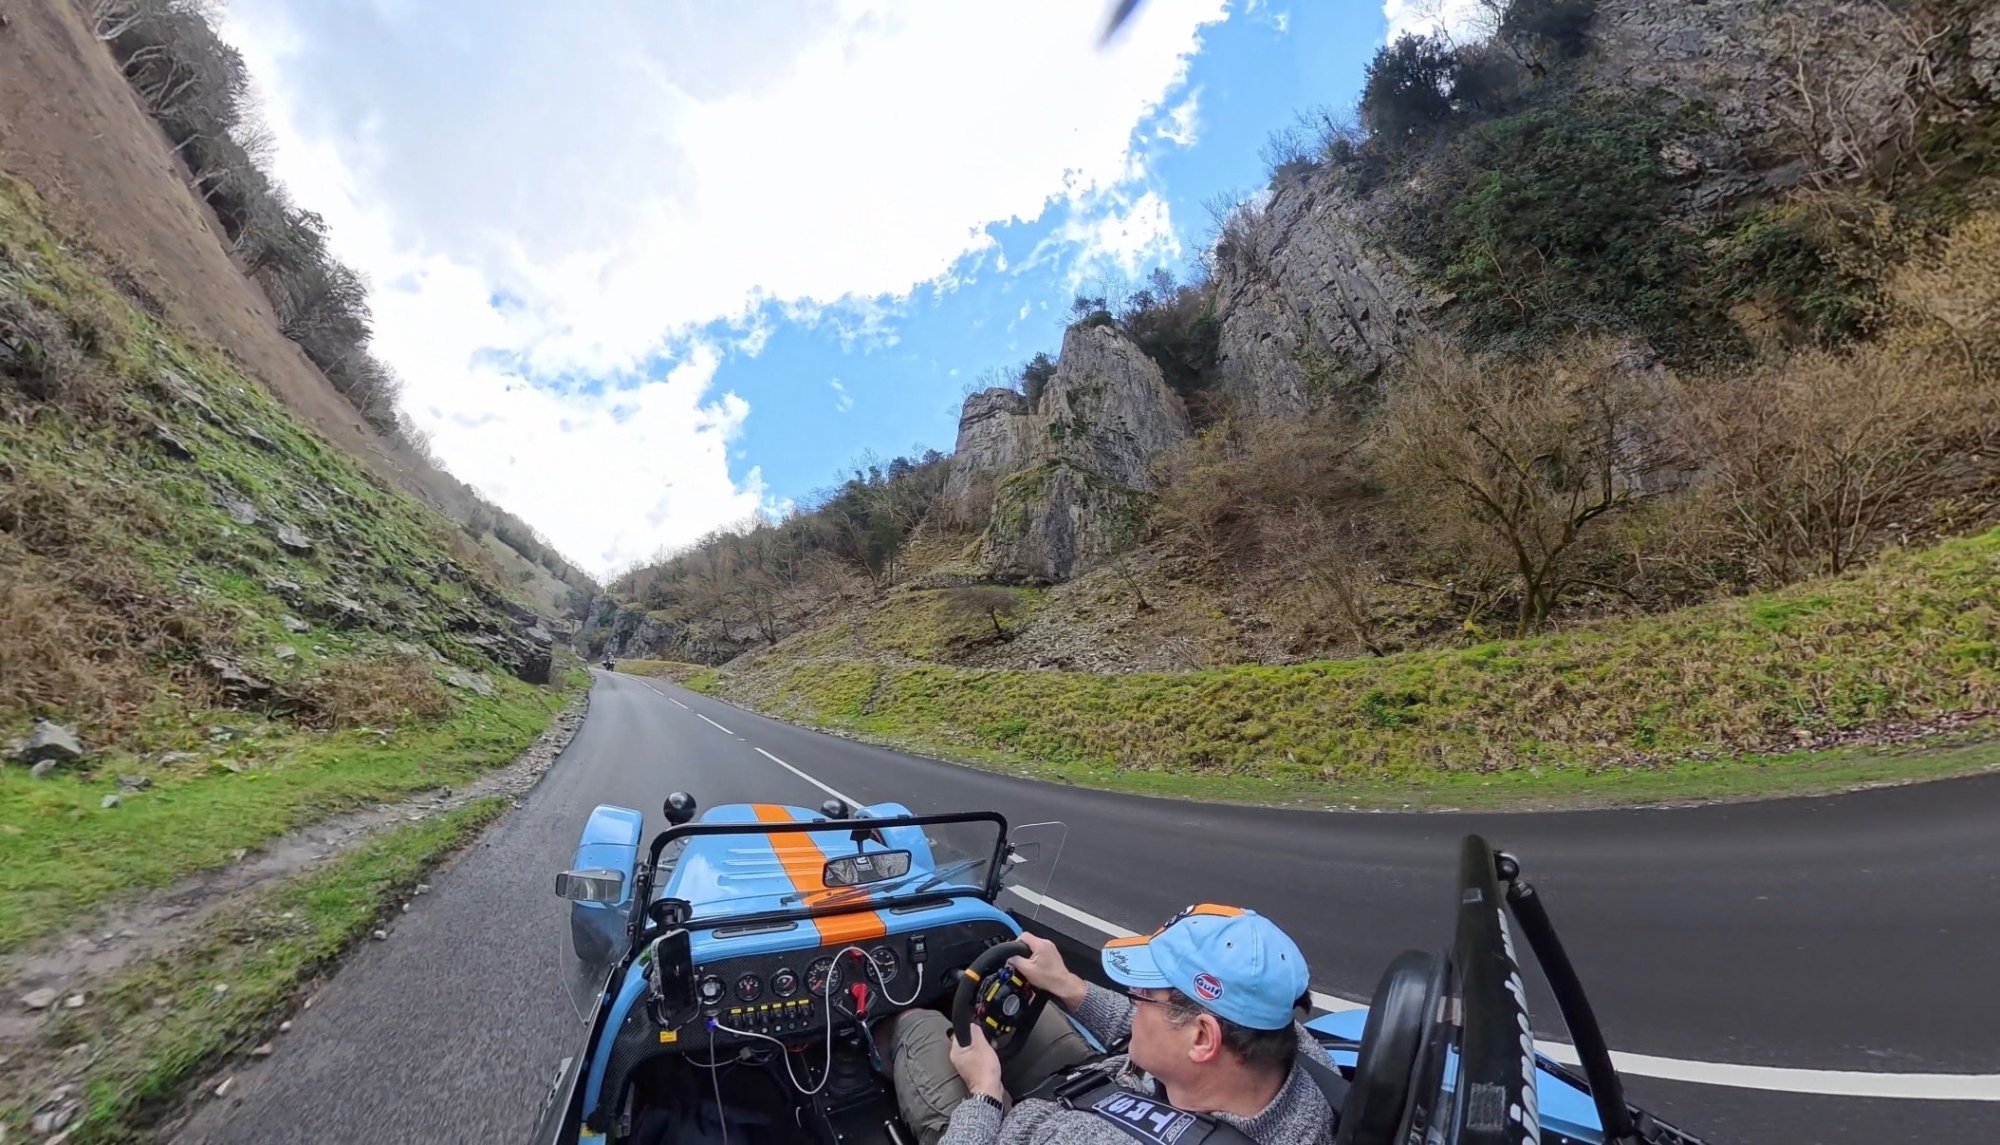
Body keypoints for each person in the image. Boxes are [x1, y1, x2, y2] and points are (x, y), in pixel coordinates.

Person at [883, 904, 1341, 1145]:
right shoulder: (1297, 1051)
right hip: (1096, 1088)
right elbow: (1165, 1030)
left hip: (1001, 1125)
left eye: (1143, 994)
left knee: (917, 1024)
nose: (1131, 999)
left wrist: (984, 1091)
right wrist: (1068, 985)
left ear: (1203, 1037)